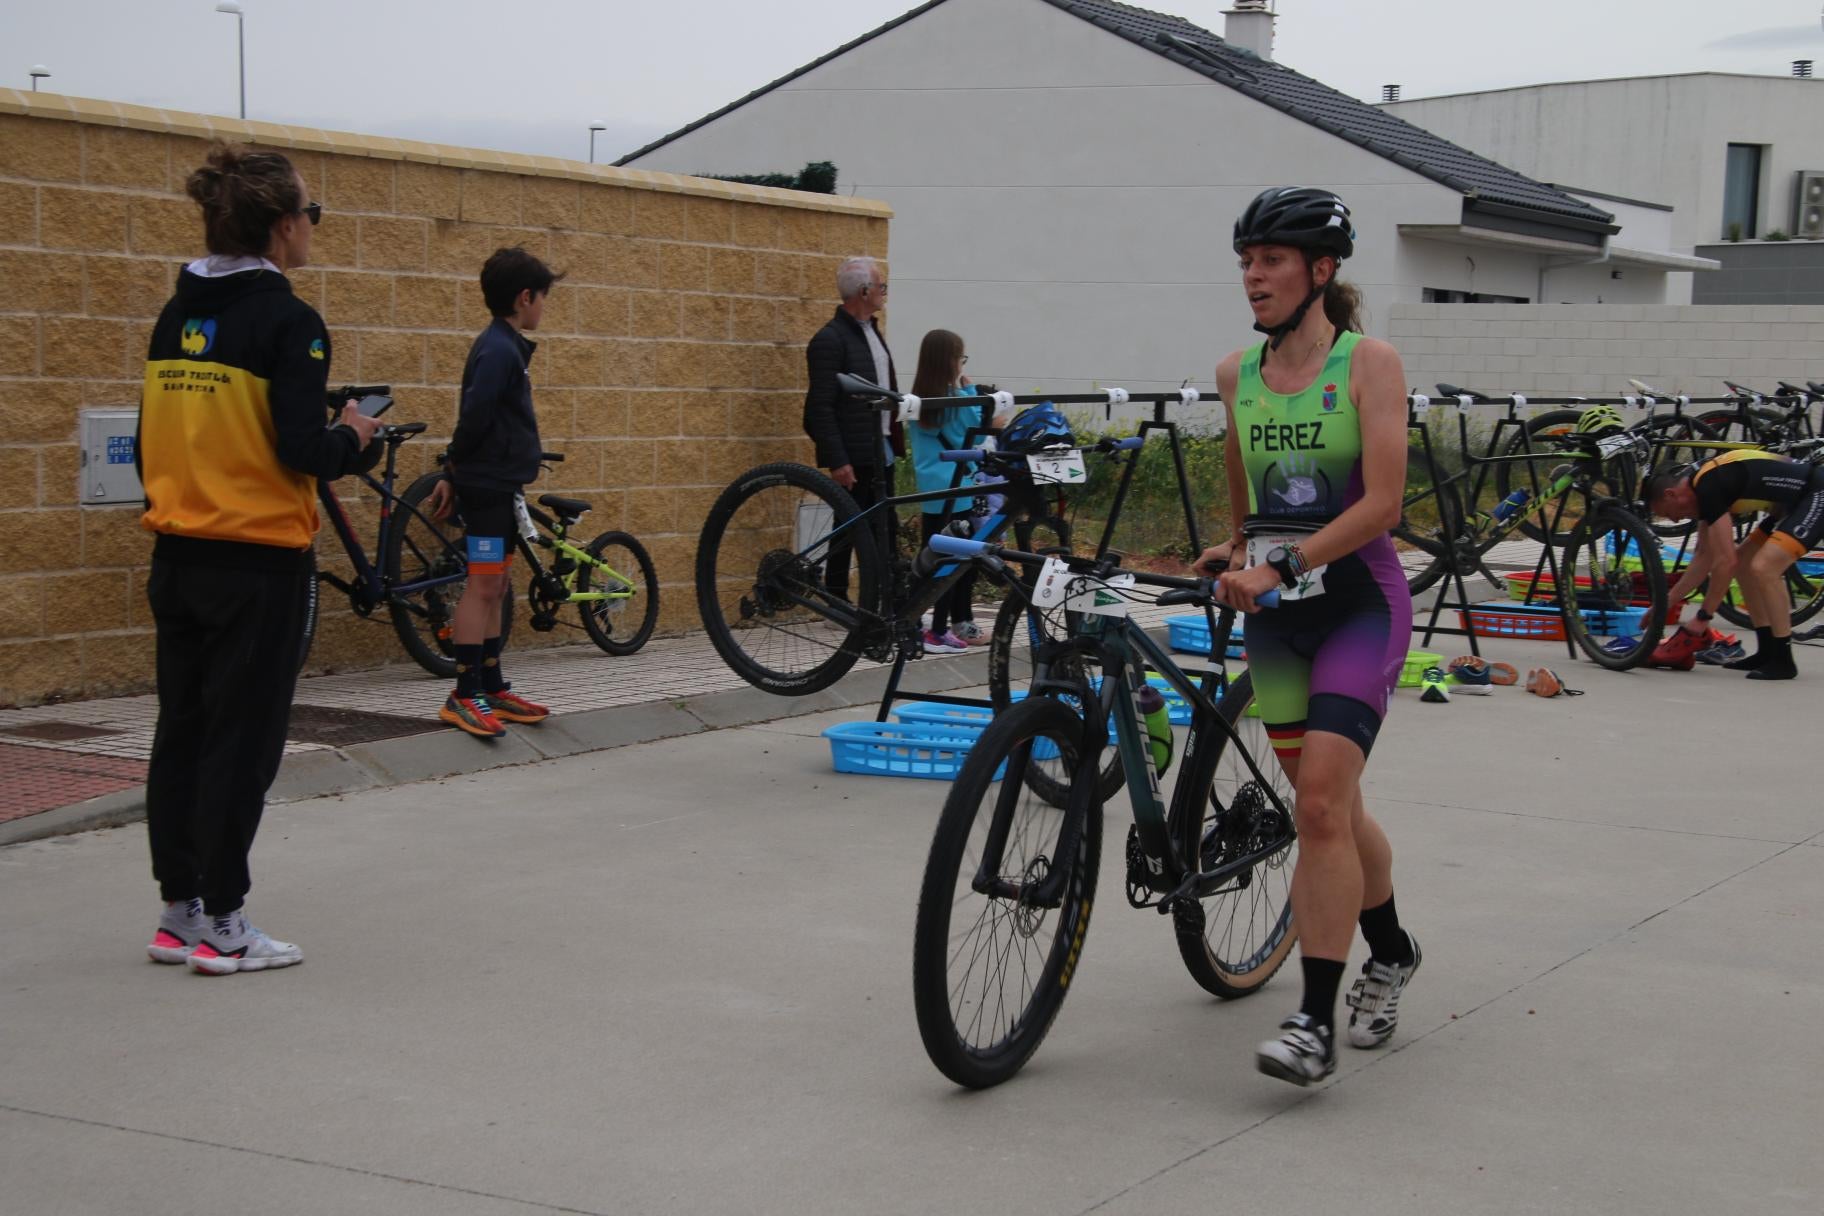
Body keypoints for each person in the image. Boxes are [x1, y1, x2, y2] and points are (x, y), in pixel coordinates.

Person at [139, 143, 382, 975]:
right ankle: (227, 922)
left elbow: (154, 441)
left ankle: (179, 909)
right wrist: (355, 433)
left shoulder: (177, 316)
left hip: (177, 553)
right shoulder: (291, 322)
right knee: (241, 745)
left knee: (183, 732)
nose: (313, 230)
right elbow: (302, 449)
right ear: (282, 229)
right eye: (310, 216)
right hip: (256, 562)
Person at [1195, 187, 1420, 1085]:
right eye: (1247, 261)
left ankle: (1313, 1022)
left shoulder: (1371, 363)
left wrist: (1281, 567)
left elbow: (1383, 503)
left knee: (1321, 805)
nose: (1253, 276)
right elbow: (1245, 481)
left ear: (1321, 271)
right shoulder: (1234, 375)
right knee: (1328, 805)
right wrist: (1237, 544)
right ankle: (1392, 947)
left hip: (1358, 604)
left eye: (1272, 260)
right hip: (1277, 619)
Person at [425, 248, 563, 737]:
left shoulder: (506, 346)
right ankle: (464, 693)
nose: (544, 308)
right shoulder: (498, 349)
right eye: (543, 298)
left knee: (497, 585)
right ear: (524, 297)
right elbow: (475, 416)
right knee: (483, 587)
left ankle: (492, 684)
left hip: (500, 487)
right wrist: (452, 467)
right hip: (485, 489)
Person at [1646, 450, 1824, 680]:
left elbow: (1725, 562)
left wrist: (1703, 617)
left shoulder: (1708, 486)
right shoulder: (1700, 485)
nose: (1676, 521)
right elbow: (1704, 557)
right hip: (1791, 502)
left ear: (1671, 494)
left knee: (1764, 567)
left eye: (1669, 514)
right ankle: (1767, 650)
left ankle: (1783, 659)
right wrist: (1665, 604)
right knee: (1745, 563)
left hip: (1815, 494)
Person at [803, 256, 902, 598]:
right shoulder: (829, 340)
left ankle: (882, 598)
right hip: (854, 451)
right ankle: (836, 595)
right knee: (849, 528)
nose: (884, 293)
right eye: (880, 286)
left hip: (880, 446)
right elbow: (819, 407)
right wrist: (838, 459)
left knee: (883, 528)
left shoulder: (871, 331)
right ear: (863, 291)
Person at [907, 329, 1003, 650]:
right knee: (958, 562)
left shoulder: (918, 401)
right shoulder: (957, 401)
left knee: (929, 561)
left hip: (932, 493)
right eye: (960, 358)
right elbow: (976, 435)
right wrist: (971, 388)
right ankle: (943, 629)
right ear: (950, 360)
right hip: (960, 490)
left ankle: (915, 623)